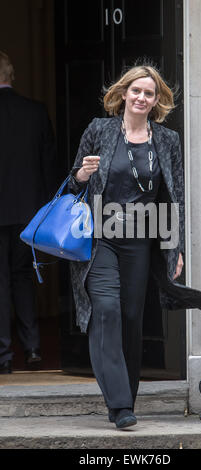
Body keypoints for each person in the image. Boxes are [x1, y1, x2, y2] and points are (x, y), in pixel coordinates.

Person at [68, 64, 201, 429]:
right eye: (135, 90)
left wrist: (176, 248)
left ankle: (126, 401)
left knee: (131, 320)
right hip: (100, 238)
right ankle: (120, 404)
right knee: (105, 310)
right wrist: (82, 175)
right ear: (123, 93)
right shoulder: (100, 130)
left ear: (157, 101)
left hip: (141, 241)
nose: (141, 97)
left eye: (149, 93)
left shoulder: (167, 140)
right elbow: (74, 182)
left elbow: (175, 199)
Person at [0, 51, 56, 374]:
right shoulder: (36, 112)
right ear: (12, 75)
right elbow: (47, 165)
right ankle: (33, 347)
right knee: (22, 277)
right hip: (27, 211)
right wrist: (48, 208)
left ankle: (4, 356)